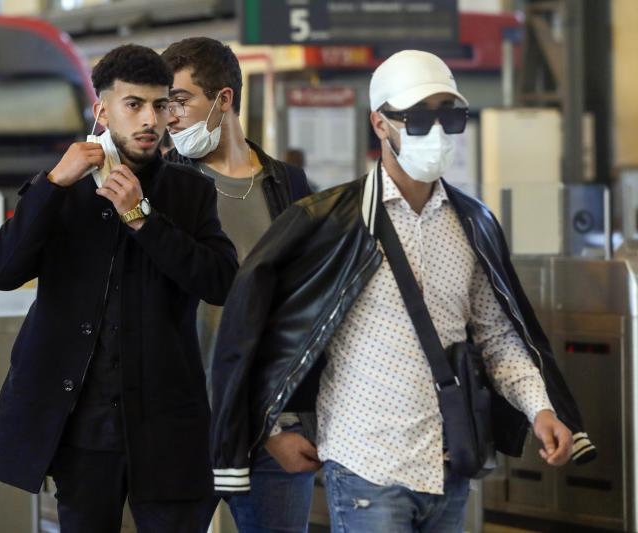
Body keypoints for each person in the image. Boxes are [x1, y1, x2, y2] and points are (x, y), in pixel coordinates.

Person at [209, 50, 596, 533]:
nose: (435, 132)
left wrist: (541, 408)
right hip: (366, 468)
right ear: (380, 123)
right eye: (417, 118)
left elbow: (498, 337)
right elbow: (267, 336)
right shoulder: (330, 222)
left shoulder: (472, 222)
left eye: (449, 116)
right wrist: (272, 432)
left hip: (451, 466)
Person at [0, 44, 237, 533]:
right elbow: (0, 271)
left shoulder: (189, 192)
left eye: (161, 106)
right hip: (82, 428)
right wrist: (52, 184)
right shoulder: (63, 190)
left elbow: (220, 281)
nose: (150, 120)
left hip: (166, 427)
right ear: (102, 110)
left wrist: (143, 219)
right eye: (133, 104)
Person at [160, 37, 315, 533]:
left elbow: (305, 311)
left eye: (181, 101)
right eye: (166, 105)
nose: (170, 117)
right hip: (182, 426)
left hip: (270, 430)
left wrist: (291, 422)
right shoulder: (161, 186)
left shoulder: (288, 186)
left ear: (224, 100)